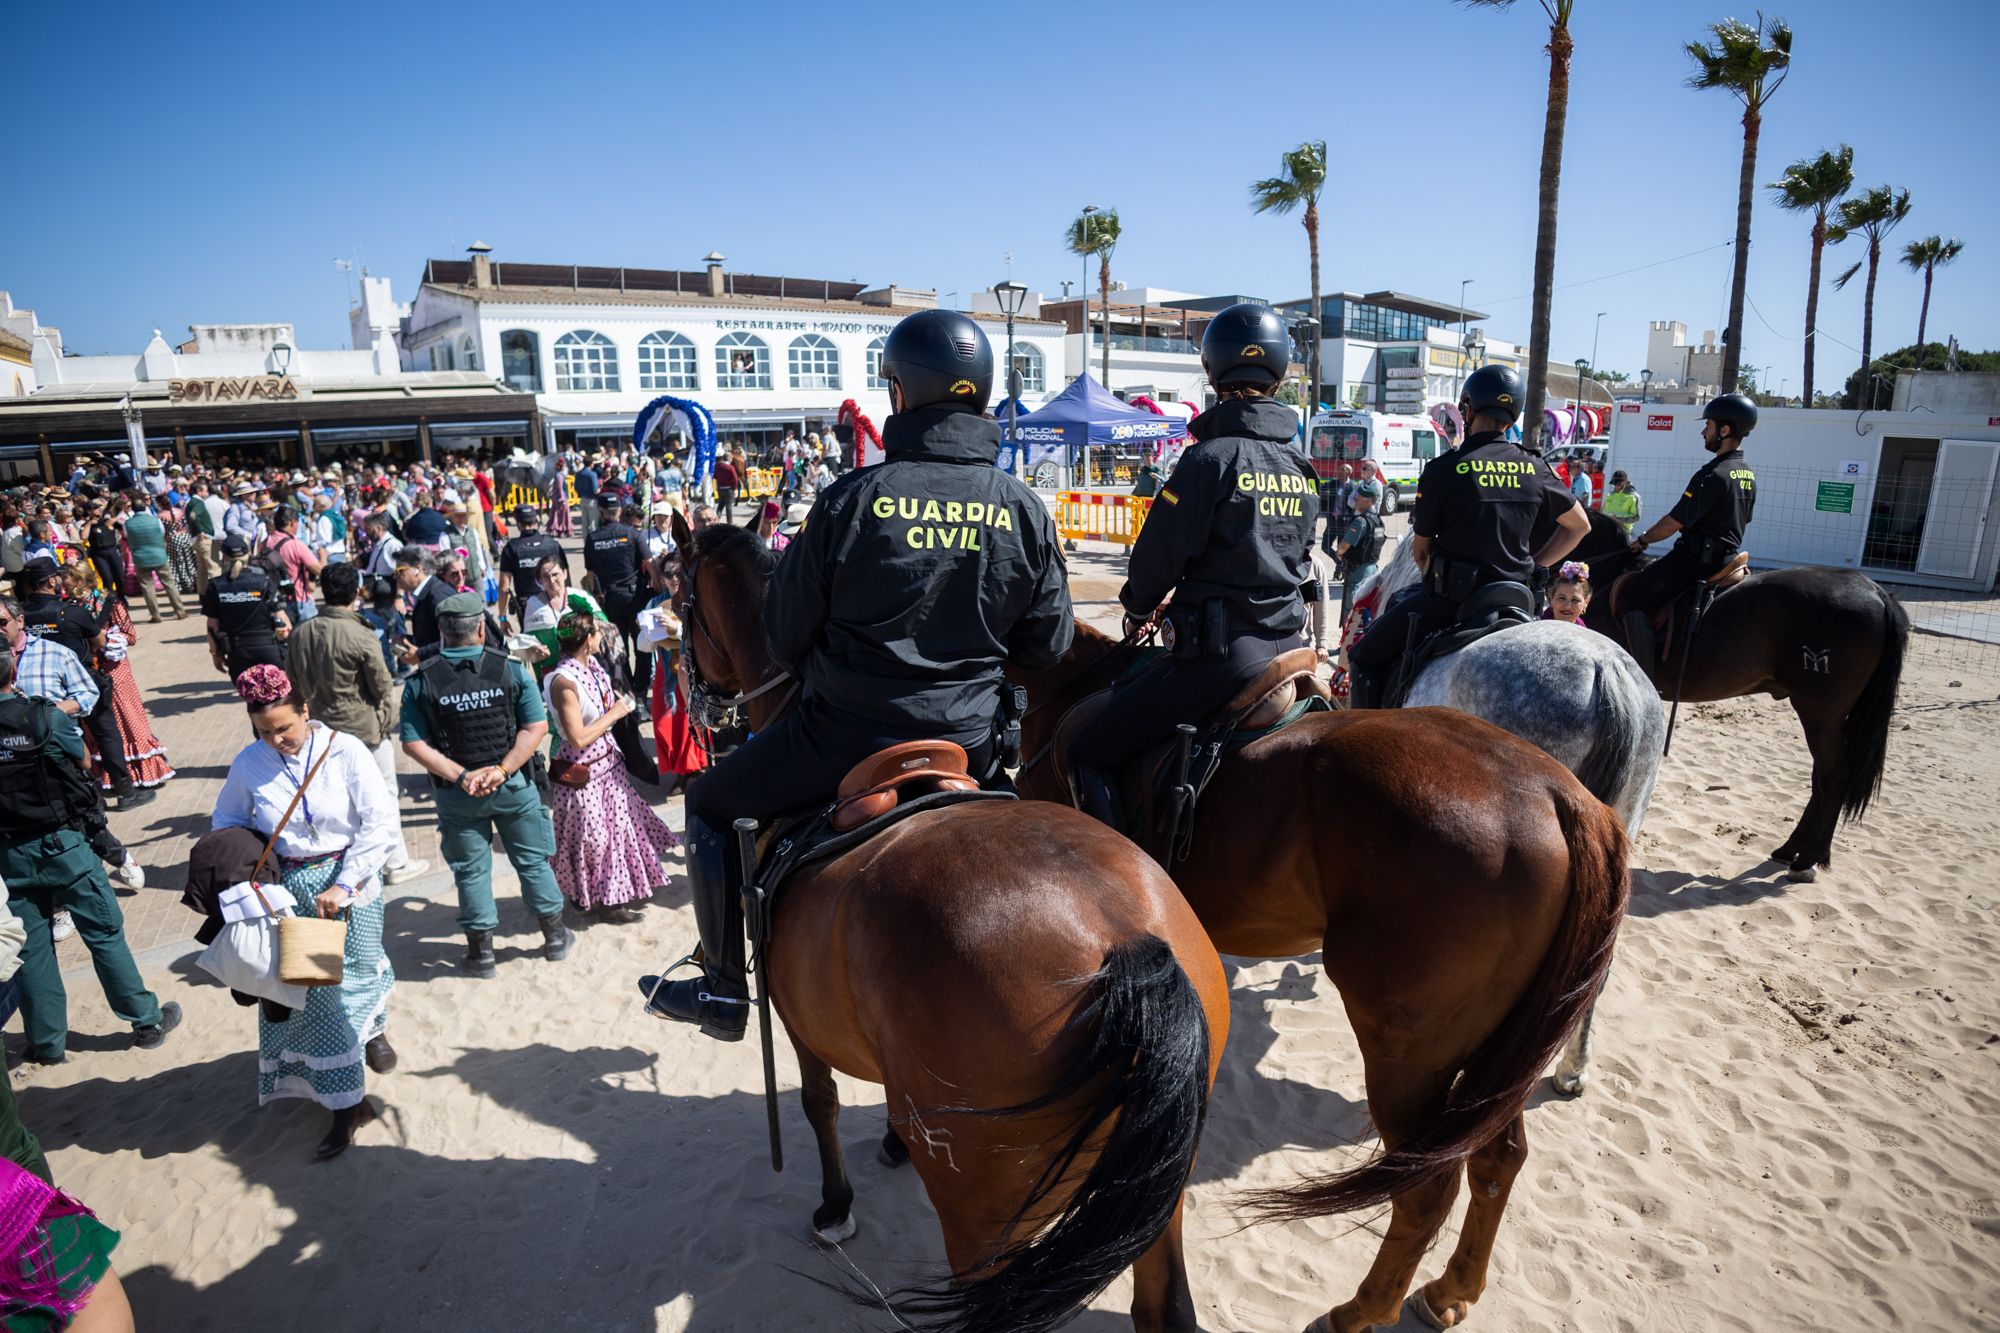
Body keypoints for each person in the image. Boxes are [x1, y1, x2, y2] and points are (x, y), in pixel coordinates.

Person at [642, 308, 1073, 1041]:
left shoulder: (852, 498)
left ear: (900, 394)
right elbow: (1049, 643)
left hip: (843, 740)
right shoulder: (1023, 507)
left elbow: (781, 635)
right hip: (973, 745)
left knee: (711, 803)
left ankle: (721, 988)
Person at [1065, 303, 1317, 835]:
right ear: (1279, 373)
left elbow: (1161, 555)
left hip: (1222, 660)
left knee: (1086, 751)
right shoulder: (1300, 466)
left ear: (1211, 371)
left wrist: (1137, 604)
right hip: (1292, 651)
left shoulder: (1208, 459)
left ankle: (1125, 882)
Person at [212, 665, 397, 1159]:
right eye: (265, 731)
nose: (277, 740)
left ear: (306, 712)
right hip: (292, 894)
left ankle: (374, 1032)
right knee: (318, 997)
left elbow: (379, 824)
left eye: (285, 728)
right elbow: (226, 820)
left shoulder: (347, 751)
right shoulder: (249, 763)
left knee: (359, 974)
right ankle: (348, 1105)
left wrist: (344, 882)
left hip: (351, 883)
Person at [1347, 365, 1590, 708]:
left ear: (1467, 409)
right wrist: (1539, 565)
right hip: (1517, 600)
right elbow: (1580, 525)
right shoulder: (1535, 467)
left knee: (1364, 657)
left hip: (1452, 603)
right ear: (1513, 415)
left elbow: (1420, 554)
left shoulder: (1445, 469)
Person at [0, 647, 180, 1067]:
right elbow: (82, 759)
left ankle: (46, 1043)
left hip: (9, 855)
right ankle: (145, 1021)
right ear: (13, 667)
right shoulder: (42, 716)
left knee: (31, 949)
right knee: (104, 933)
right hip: (63, 846)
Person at [399, 593, 572, 979]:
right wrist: (504, 769)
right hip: (514, 786)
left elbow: (413, 743)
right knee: (531, 861)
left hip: (458, 796)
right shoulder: (510, 669)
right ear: (481, 628)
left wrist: (461, 776)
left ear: (441, 632)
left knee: (472, 873)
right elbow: (536, 726)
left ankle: (483, 956)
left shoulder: (421, 681)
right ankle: (555, 938)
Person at [284, 561, 430, 886]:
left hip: (320, 731)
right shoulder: (360, 633)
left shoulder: (301, 633)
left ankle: (349, 864)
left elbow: (292, 681)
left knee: (340, 800)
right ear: (355, 593)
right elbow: (381, 684)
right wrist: (385, 718)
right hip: (364, 729)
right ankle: (395, 862)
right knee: (384, 795)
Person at [543, 609, 678, 924]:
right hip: (584, 772)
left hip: (608, 765)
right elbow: (577, 737)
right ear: (587, 640)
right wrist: (615, 713)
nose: (603, 637)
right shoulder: (564, 681)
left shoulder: (591, 666)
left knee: (615, 832)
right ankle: (599, 900)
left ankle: (609, 897)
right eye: (598, 633)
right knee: (591, 839)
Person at [1618, 393, 1759, 684]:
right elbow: (1746, 519)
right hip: (1728, 556)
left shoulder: (1713, 474)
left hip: (1696, 561)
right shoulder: (1747, 474)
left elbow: (1673, 522)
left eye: (1708, 424)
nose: (1703, 431)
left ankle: (1644, 681)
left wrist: (1643, 540)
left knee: (1632, 596)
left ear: (1725, 430)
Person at [16, 559, 146, 810]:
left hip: (42, 688)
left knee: (63, 738)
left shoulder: (20, 615)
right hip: (82, 681)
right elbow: (99, 641)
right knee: (106, 732)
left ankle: (85, 793)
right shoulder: (71, 611)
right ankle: (125, 792)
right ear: (52, 581)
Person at [61, 563, 173, 797]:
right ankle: (112, 774)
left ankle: (139, 774)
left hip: (114, 669)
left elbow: (130, 636)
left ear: (80, 579)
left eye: (68, 578)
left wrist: (108, 641)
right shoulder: (68, 606)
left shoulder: (108, 601)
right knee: (101, 726)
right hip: (88, 670)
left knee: (126, 716)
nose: (64, 583)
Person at [202, 535, 292, 683]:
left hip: (238, 653)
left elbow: (212, 626)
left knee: (252, 699)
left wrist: (215, 654)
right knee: (275, 698)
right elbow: (284, 622)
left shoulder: (215, 586)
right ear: (248, 555)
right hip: (268, 650)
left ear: (223, 557)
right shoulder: (264, 582)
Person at [583, 502, 648, 681]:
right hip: (634, 597)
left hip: (609, 599)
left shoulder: (593, 538)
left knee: (618, 646)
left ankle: (627, 687)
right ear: (619, 511)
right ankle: (641, 688)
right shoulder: (632, 533)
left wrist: (596, 597)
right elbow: (649, 563)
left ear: (601, 512)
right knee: (642, 643)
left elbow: (590, 575)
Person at [1333, 477, 1387, 637]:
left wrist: (1339, 554)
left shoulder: (1361, 522)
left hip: (1357, 571)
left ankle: (1347, 643)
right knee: (1368, 606)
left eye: (1359, 499)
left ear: (1368, 501)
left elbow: (1343, 547)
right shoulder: (1378, 521)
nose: (1356, 500)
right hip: (1372, 569)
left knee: (1352, 608)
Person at [497, 505, 564, 628]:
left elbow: (503, 587)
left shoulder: (511, 548)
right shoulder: (552, 544)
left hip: (527, 607)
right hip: (554, 602)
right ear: (535, 520)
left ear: (518, 523)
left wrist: (502, 617)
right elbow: (565, 577)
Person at [122, 494, 186, 622]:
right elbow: (162, 533)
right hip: (159, 555)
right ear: (145, 507)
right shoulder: (156, 520)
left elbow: (127, 537)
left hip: (140, 558)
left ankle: (155, 614)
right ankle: (180, 611)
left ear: (132, 509)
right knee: (169, 584)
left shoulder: (127, 524)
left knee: (147, 587)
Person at [262, 504, 323, 624]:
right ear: (292, 522)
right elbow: (320, 571)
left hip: (276, 600)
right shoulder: (296, 545)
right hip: (299, 599)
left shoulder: (265, 543)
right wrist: (323, 557)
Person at [1548, 560, 1592, 625]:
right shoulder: (1536, 626)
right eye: (1562, 598)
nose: (1567, 606)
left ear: (1586, 603)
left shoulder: (1583, 631)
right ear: (1551, 599)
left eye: (1575, 600)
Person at [1602, 468, 1642, 537]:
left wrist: (1618, 519)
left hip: (1623, 533)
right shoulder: (1611, 495)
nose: (1616, 486)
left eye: (1618, 484)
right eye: (1614, 484)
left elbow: (1636, 517)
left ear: (1626, 482)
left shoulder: (1634, 496)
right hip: (1608, 530)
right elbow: (1603, 512)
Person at [712, 453, 740, 525]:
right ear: (729, 458)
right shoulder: (730, 467)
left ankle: (716, 520)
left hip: (720, 488)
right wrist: (735, 488)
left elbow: (715, 476)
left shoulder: (717, 466)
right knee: (729, 506)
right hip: (729, 489)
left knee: (720, 504)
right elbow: (735, 479)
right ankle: (729, 523)